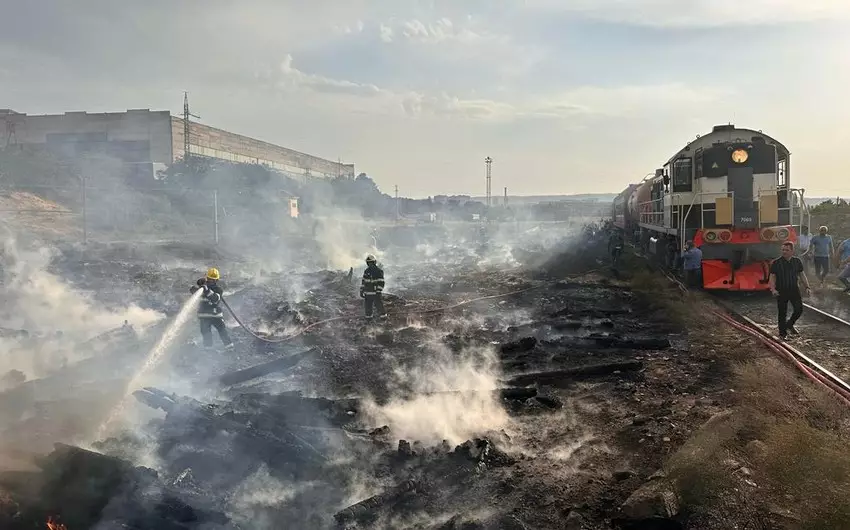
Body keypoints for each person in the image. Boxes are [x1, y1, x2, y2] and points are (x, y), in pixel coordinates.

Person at [769, 242, 812, 340]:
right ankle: (782, 333)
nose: (784, 252)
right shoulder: (776, 263)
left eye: (786, 250)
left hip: (794, 289)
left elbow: (802, 275)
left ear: (792, 251)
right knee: (782, 313)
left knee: (798, 310)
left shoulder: (797, 261)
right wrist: (773, 289)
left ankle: (789, 324)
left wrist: (807, 287)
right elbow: (772, 277)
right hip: (781, 290)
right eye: (783, 250)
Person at [190, 267, 234, 349]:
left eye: (212, 280)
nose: (210, 281)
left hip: (215, 315)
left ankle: (230, 349)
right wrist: (198, 285)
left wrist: (207, 290)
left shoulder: (218, 290)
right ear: (207, 278)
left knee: (222, 332)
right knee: (206, 334)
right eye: (209, 279)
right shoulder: (202, 289)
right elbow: (193, 292)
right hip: (204, 316)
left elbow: (215, 299)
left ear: (216, 281)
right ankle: (208, 351)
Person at [360, 255, 386, 319]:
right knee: (368, 308)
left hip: (376, 293)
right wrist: (361, 290)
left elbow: (381, 282)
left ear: (374, 262)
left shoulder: (378, 271)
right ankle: (369, 321)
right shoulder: (366, 271)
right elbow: (363, 282)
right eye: (369, 263)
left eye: (371, 262)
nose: (370, 264)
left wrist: (378, 291)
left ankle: (384, 320)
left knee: (379, 306)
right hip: (368, 294)